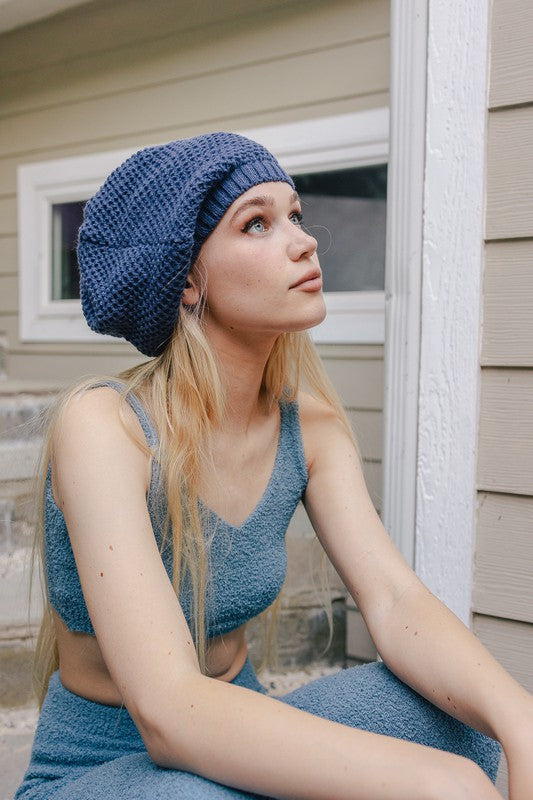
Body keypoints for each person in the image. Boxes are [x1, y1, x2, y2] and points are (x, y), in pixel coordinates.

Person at [15, 132, 531, 800]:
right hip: (106, 767)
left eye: (295, 215)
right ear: (186, 280)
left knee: (462, 721)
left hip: (238, 731)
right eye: (255, 224)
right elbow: (171, 710)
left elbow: (394, 599)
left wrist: (518, 718)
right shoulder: (106, 426)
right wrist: (435, 781)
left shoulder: (310, 427)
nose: (304, 241)